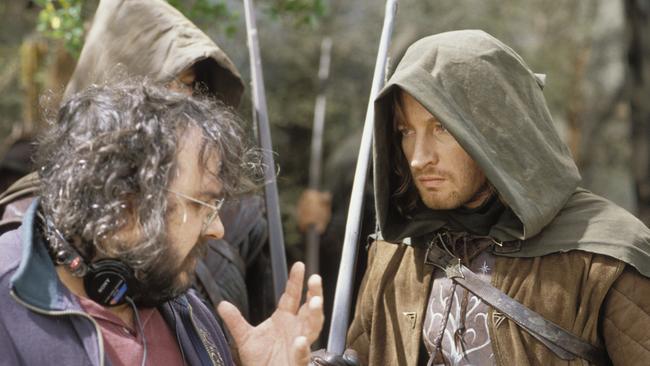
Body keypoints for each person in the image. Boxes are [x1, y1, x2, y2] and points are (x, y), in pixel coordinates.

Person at [315, 30, 650, 366]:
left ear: (494, 128)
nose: (418, 157)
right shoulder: (397, 252)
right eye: (406, 131)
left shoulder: (605, 258)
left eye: (441, 128)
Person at [0, 81, 324, 366]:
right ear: (125, 205)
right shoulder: (7, 315)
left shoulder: (179, 302)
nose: (217, 230)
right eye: (202, 205)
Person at [0, 0, 275, 325]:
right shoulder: (34, 227)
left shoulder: (234, 218)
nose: (184, 102)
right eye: (177, 83)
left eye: (191, 87)